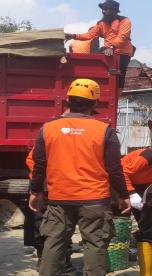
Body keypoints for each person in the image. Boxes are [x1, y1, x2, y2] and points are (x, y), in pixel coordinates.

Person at [28, 78, 131, 276]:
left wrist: (35, 191)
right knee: (95, 244)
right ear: (94, 103)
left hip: (59, 197)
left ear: (68, 100)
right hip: (95, 199)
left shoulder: (48, 128)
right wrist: (123, 195)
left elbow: (39, 165)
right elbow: (115, 169)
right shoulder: (104, 130)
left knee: (54, 241)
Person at [65, 0, 134, 97]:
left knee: (120, 75)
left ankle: (116, 98)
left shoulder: (125, 21)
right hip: (108, 51)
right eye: (103, 9)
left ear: (114, 11)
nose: (103, 11)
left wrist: (111, 47)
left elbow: (122, 37)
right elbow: (90, 35)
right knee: (101, 72)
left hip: (122, 52)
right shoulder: (101, 23)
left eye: (106, 9)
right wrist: (73, 36)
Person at [24, 149, 76, 274]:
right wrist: (42, 183)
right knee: (42, 223)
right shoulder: (51, 135)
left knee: (64, 224)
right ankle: (44, 258)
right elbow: (32, 160)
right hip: (47, 186)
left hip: (66, 187)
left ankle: (64, 259)